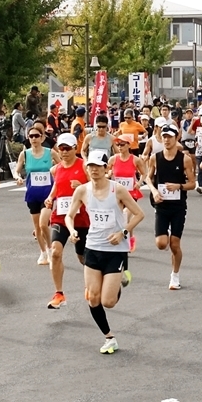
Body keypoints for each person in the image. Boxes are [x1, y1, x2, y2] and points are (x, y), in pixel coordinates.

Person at [66, 150, 145, 354]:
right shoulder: (82, 191)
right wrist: (72, 230)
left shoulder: (117, 190)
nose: (93, 170)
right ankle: (109, 338)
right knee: (93, 298)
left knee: (107, 302)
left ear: (106, 168)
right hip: (92, 247)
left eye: (97, 166)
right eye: (90, 166)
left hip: (115, 250)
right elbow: (69, 215)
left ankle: (118, 280)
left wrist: (123, 232)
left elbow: (139, 214)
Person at [147, 124, 196, 290]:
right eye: (164, 136)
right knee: (161, 244)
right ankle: (165, 234)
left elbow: (192, 183)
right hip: (161, 205)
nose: (166, 140)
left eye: (169, 136)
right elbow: (148, 178)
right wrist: (154, 191)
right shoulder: (156, 157)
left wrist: (179, 186)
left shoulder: (185, 159)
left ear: (176, 138)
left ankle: (175, 276)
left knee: (175, 244)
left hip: (178, 206)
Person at [44, 133, 89, 309]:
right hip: (61, 217)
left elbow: (97, 186)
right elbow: (57, 186)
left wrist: (82, 187)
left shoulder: (84, 166)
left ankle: (91, 282)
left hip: (82, 219)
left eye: (67, 148)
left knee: (83, 257)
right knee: (55, 252)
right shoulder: (56, 169)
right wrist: (50, 198)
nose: (63, 152)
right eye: (60, 148)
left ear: (74, 149)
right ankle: (59, 293)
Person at [15, 125, 60, 265]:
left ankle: (51, 249)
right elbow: (17, 170)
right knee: (37, 227)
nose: (34, 139)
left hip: (48, 194)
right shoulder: (25, 154)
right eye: (31, 136)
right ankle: (43, 252)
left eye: (36, 136)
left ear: (42, 138)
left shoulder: (50, 153)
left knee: (43, 224)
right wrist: (18, 177)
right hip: (32, 194)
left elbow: (62, 167)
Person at [107, 133, 146, 252]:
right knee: (118, 217)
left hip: (131, 194)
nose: (120, 147)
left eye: (122, 144)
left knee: (126, 217)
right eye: (118, 144)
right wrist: (108, 175)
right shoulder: (113, 159)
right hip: (117, 194)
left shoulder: (135, 160)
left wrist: (139, 183)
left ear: (129, 145)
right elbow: (107, 172)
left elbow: (144, 173)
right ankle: (125, 237)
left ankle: (129, 239)